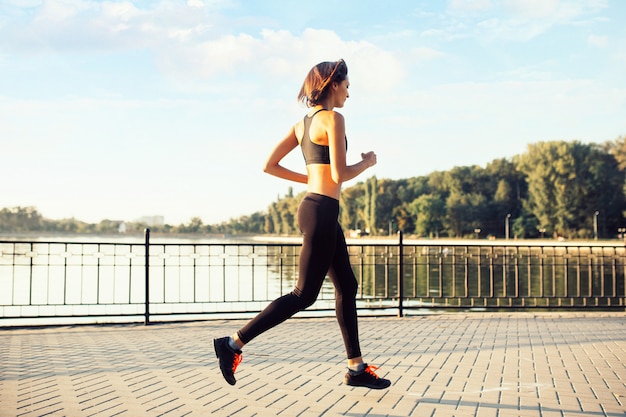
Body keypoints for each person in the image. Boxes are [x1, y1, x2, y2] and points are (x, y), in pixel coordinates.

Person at [213, 59, 391, 390]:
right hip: (322, 211)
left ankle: (356, 369)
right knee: (303, 294)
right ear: (333, 85)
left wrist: (310, 177)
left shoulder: (302, 125)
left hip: (317, 207)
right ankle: (232, 344)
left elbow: (270, 165)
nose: (349, 94)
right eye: (347, 86)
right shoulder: (334, 119)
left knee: (347, 287)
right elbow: (340, 175)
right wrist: (366, 163)